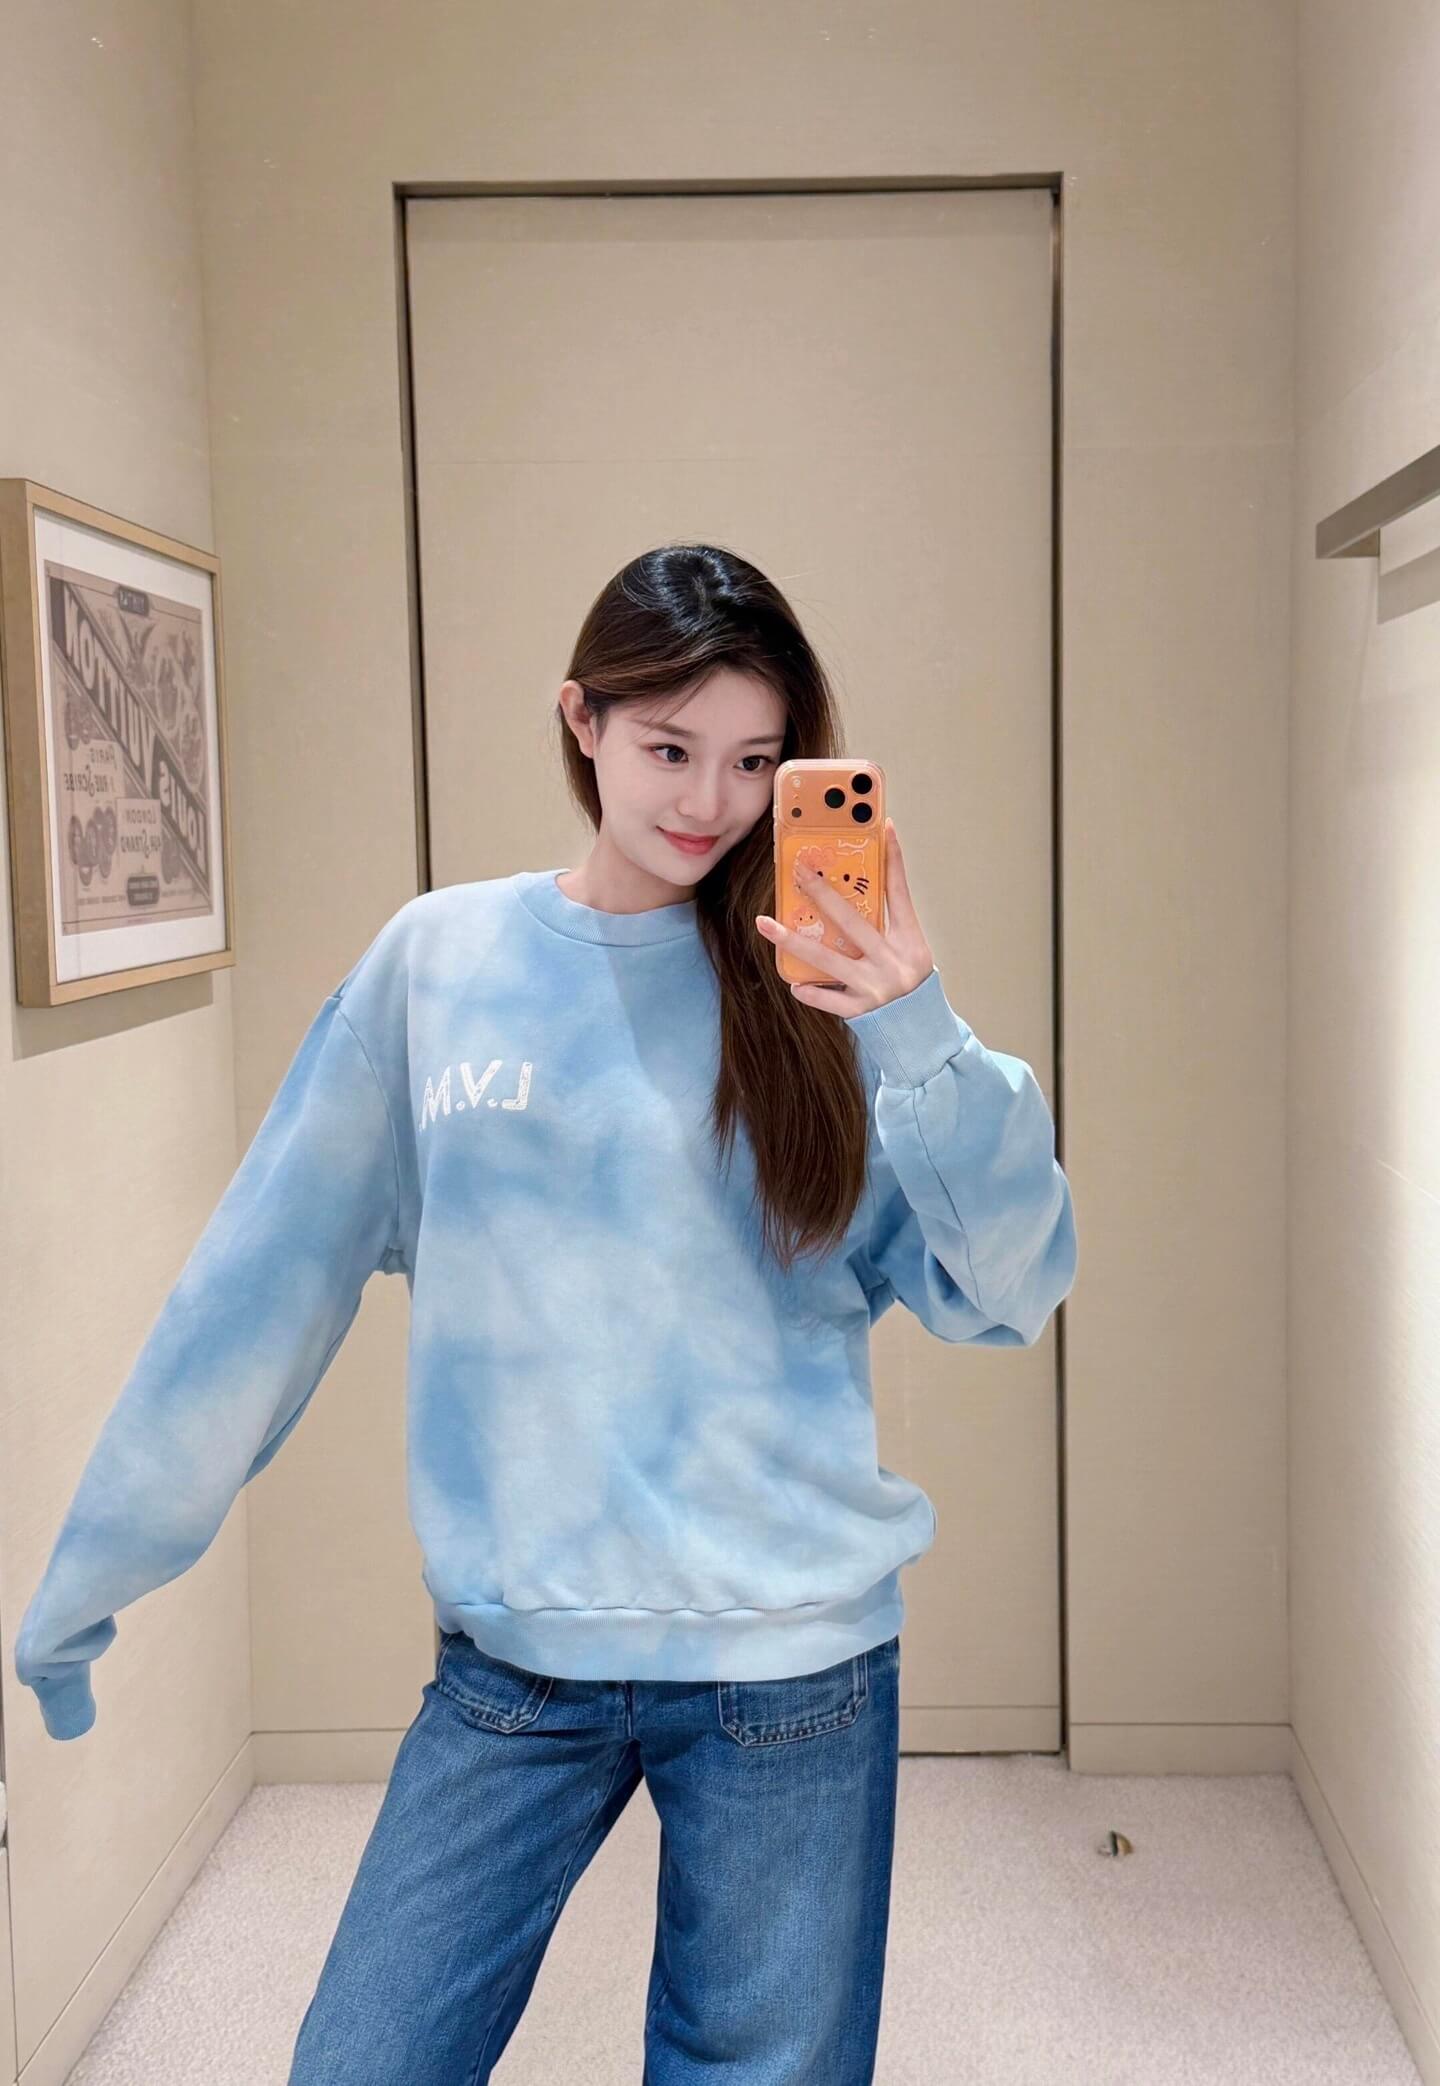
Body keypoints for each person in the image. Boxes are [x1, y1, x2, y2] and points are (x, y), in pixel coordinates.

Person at [16, 542, 1078, 2083]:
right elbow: (256, 1289)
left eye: (755, 760)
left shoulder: (830, 997)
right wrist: (96, 1569)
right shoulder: (439, 965)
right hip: (516, 1660)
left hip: (790, 1657)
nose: (710, 801)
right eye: (670, 748)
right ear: (583, 720)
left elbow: (1010, 1286)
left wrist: (917, 1024)